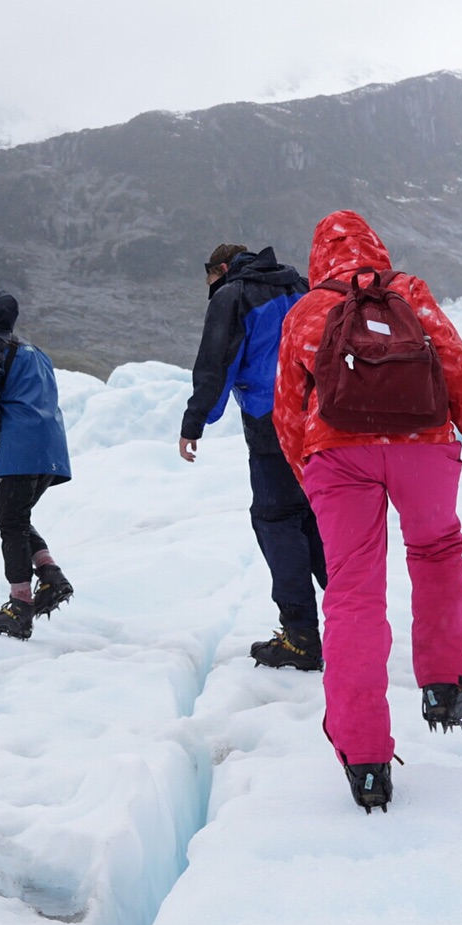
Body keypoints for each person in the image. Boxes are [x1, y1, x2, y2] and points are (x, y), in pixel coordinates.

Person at [273, 210, 462, 813]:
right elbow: (458, 372)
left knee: (353, 594)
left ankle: (365, 759)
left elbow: (286, 409)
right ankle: (445, 686)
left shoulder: (304, 312)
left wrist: (315, 478)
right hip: (424, 447)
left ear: (317, 259)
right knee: (436, 554)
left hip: (338, 455)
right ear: (375, 249)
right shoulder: (408, 292)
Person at [179, 242, 328, 671]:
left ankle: (300, 637)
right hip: (318, 421)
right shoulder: (298, 284)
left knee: (277, 520)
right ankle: (351, 621)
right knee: (315, 518)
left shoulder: (233, 295)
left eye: (209, 280)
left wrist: (195, 421)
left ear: (222, 268)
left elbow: (216, 363)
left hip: (270, 424)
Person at [0, 291, 74, 640]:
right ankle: (51, 578)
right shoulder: (35, 351)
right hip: (51, 445)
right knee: (18, 519)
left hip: (23, 444)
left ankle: (19, 605)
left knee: (11, 522)